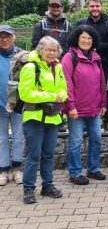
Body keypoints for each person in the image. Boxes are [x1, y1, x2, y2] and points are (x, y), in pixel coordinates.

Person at [18, 36, 67, 204]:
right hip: (34, 118)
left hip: (52, 117)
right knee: (33, 155)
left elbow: (64, 90)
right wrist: (52, 96)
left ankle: (47, 186)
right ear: (41, 50)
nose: (52, 53)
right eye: (48, 49)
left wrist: (59, 97)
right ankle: (28, 189)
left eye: (55, 50)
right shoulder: (31, 67)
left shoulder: (57, 67)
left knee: (48, 155)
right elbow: (25, 93)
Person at [61, 25, 108, 185]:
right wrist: (71, 106)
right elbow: (67, 83)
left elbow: (102, 82)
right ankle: (74, 173)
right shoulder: (69, 57)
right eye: (83, 38)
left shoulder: (96, 57)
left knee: (96, 139)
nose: (86, 41)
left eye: (89, 38)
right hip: (76, 110)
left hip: (94, 108)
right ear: (77, 39)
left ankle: (93, 169)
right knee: (76, 141)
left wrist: (103, 103)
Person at [31, 0, 72, 133]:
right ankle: (44, 118)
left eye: (58, 6)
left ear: (62, 8)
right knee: (46, 91)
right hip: (44, 66)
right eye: (52, 6)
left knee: (60, 91)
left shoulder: (68, 26)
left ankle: (59, 119)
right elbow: (34, 46)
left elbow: (71, 46)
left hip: (61, 65)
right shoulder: (40, 25)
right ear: (49, 7)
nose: (55, 8)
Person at [76, 0, 108, 132]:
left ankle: (107, 118)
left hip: (105, 63)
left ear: (101, 7)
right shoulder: (82, 24)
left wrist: (96, 46)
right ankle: (86, 118)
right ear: (88, 7)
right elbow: (76, 43)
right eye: (92, 6)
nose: (95, 9)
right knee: (86, 90)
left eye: (97, 6)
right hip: (85, 64)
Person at [0, 25, 24, 186]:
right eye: (1, 37)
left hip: (18, 105)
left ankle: (16, 169)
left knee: (19, 138)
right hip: (0, 105)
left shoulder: (22, 55)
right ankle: (3, 170)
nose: (4, 39)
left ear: (14, 37)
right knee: (1, 139)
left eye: (8, 36)